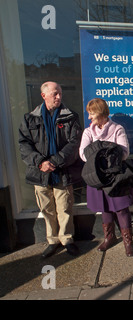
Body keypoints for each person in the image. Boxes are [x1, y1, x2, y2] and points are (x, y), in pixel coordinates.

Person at [19, 81, 82, 258]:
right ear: (43, 95)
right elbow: (24, 145)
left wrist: (55, 161)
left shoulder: (70, 117)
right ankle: (52, 241)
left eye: (60, 93)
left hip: (62, 170)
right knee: (47, 209)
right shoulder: (29, 119)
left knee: (64, 207)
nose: (58, 97)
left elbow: (74, 143)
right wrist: (40, 162)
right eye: (55, 93)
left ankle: (67, 239)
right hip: (40, 173)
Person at [79, 98, 133, 257]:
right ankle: (109, 237)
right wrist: (108, 154)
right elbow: (83, 155)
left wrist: (97, 155)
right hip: (97, 177)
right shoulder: (88, 132)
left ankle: (128, 243)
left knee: (121, 208)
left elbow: (124, 153)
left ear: (101, 113)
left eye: (92, 114)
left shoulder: (118, 129)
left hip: (116, 177)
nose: (89, 117)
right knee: (104, 208)